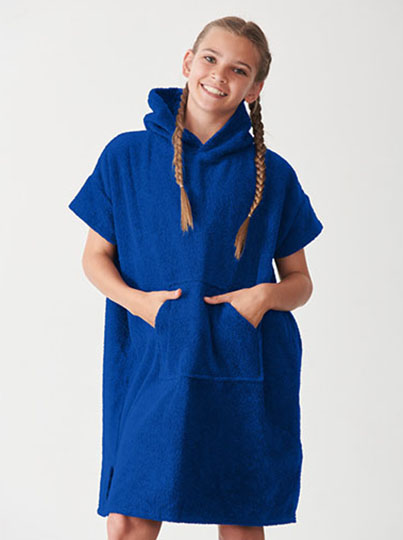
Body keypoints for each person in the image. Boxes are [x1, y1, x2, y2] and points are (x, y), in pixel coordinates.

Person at [68, 16, 324, 540]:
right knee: (128, 518)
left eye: (239, 70)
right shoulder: (127, 156)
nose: (219, 76)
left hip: (242, 359)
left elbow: (300, 281)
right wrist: (140, 304)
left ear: (254, 88)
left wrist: (262, 297)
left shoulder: (274, 174)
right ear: (188, 62)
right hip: (154, 352)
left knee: (240, 519)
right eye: (210, 59)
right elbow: (95, 258)